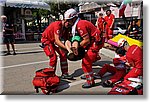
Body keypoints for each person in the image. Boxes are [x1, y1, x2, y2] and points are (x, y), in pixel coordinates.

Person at [64, 8, 104, 88]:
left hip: (95, 43)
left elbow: (86, 41)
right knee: (88, 60)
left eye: (69, 20)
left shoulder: (80, 25)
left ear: (74, 18)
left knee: (86, 62)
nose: (67, 22)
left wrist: (77, 48)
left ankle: (90, 81)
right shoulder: (78, 24)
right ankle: (88, 74)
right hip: (94, 42)